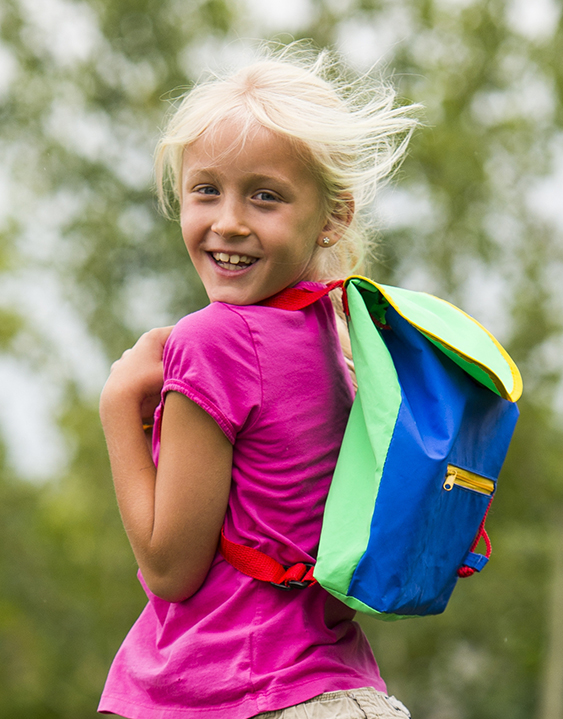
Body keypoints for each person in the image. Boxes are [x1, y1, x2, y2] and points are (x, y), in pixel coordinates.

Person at [97, 44, 420, 719]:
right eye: (206, 190)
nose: (229, 221)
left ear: (332, 215)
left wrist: (119, 403)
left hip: (241, 695)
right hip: (346, 689)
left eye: (265, 196)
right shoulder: (337, 335)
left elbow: (170, 567)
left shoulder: (212, 341)